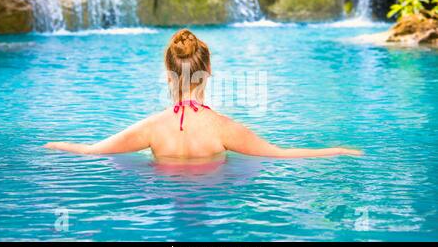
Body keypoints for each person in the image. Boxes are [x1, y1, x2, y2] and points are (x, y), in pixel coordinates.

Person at [45, 29, 362, 165]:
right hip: (215, 206)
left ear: (168, 74)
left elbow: (90, 152)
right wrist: (338, 150)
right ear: (208, 69)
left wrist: (50, 145)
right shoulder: (225, 129)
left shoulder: (150, 129)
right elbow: (279, 155)